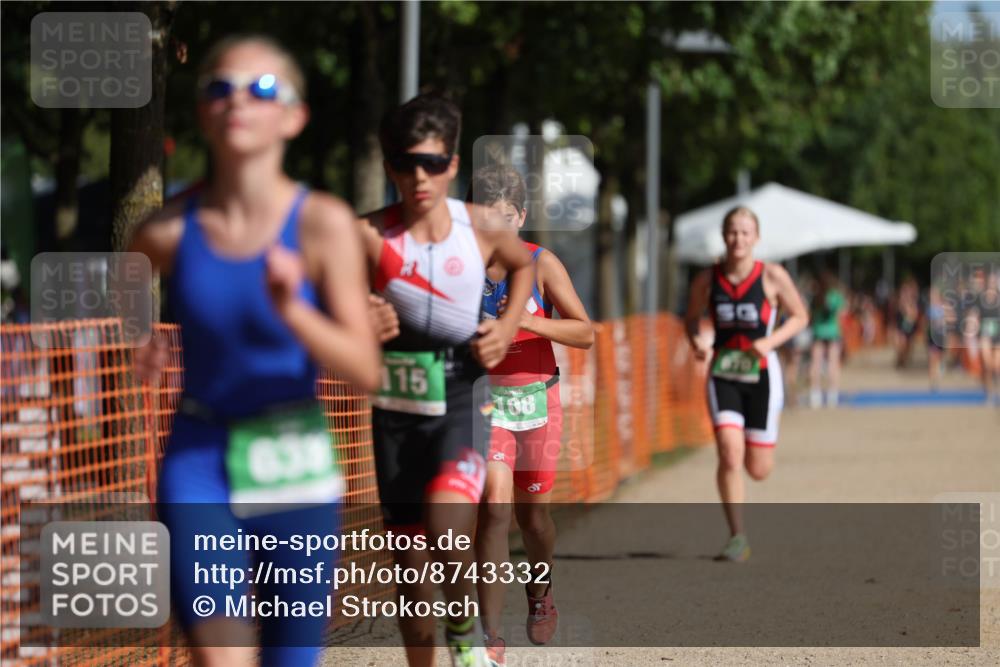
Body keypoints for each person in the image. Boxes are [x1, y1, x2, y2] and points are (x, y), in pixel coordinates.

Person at [129, 35, 380, 667]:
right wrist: (140, 343)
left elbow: (364, 368)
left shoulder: (324, 224)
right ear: (203, 112)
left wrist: (294, 308)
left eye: (261, 89)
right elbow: (125, 302)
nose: (238, 100)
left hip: (293, 457)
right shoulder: (163, 232)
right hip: (199, 460)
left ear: (293, 117)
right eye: (220, 88)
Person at [357, 94, 534, 667]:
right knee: (410, 569)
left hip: (462, 393)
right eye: (406, 164)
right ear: (389, 168)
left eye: (432, 163)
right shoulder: (367, 236)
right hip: (396, 408)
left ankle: (463, 629)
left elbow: (526, 264)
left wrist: (507, 327)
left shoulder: (479, 227)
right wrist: (360, 312)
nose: (419, 177)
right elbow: (321, 295)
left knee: (448, 534)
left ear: (452, 165)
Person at [469, 164, 594, 666]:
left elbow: (585, 331)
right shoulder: (463, 266)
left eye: (505, 218)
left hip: (539, 401)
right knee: (495, 508)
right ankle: (490, 634)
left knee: (533, 517)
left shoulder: (542, 265)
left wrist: (527, 320)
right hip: (486, 401)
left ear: (519, 216)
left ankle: (540, 593)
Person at [684, 206, 808, 562]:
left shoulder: (772, 275)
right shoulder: (707, 279)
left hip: (762, 375)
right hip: (723, 372)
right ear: (724, 236)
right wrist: (697, 342)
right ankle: (737, 536)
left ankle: (761, 446)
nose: (738, 239)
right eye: (732, 232)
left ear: (756, 238)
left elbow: (800, 316)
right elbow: (691, 318)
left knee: (758, 468)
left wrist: (769, 343)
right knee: (728, 450)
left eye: (745, 232)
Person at [808, 271, 846, 408]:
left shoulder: (814, 297)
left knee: (815, 363)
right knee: (833, 363)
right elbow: (840, 314)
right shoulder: (835, 296)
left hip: (818, 332)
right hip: (833, 332)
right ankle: (832, 394)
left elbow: (810, 316)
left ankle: (814, 394)